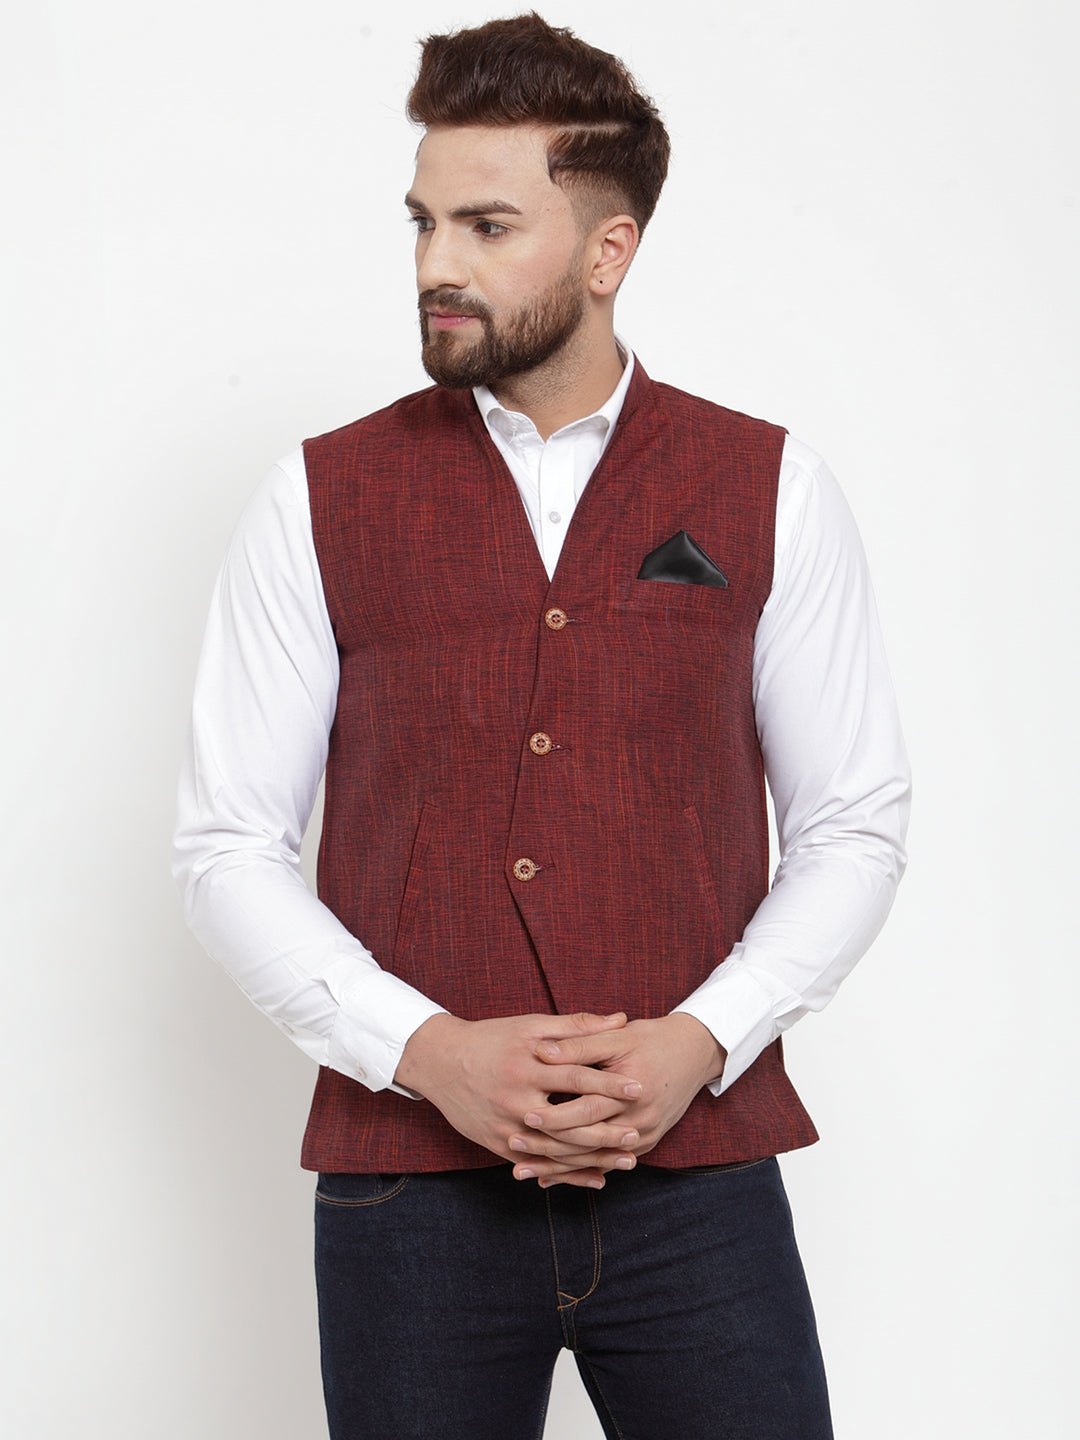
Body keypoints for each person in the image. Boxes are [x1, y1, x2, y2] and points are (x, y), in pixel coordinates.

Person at [174, 13, 909, 1438]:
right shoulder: (318, 496)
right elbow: (226, 848)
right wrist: (431, 1053)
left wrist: (700, 1041)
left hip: (698, 1187)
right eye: (423, 221)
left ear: (607, 249)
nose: (434, 265)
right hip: (409, 1200)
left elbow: (852, 826)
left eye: (487, 226)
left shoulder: (771, 487)